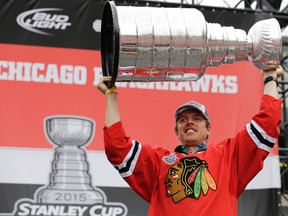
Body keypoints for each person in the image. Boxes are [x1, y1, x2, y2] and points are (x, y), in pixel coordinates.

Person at [96, 65, 284, 216]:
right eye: (183, 120)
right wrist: (111, 95)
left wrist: (270, 78)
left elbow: (266, 124)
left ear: (208, 128)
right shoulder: (158, 163)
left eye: (197, 118)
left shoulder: (228, 156)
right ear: (176, 131)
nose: (189, 123)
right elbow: (117, 147)